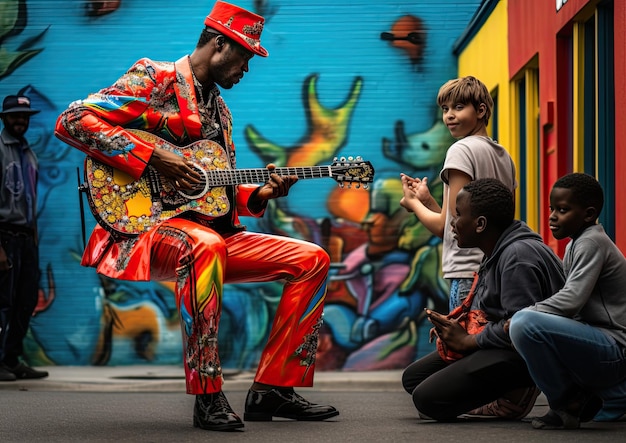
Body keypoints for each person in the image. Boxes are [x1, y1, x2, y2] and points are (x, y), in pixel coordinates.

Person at [54, 1, 338, 432]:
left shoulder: (220, 111)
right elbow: (73, 120)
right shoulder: (155, 77)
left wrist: (259, 193)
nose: (247, 69)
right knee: (203, 246)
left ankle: (273, 389)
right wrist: (156, 157)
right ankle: (207, 395)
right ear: (220, 45)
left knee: (312, 258)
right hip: (145, 228)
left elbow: (214, 191)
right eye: (244, 57)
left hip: (210, 232)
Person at [401, 178, 565, 421]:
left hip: (522, 352)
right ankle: (494, 392)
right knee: (413, 379)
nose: (452, 223)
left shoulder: (517, 256)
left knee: (427, 401)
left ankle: (519, 391)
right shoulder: (498, 248)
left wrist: (468, 342)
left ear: (480, 224)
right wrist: (460, 327)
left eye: (457, 215)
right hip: (499, 343)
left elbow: (521, 328)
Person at [509, 173, 626, 430]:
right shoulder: (577, 243)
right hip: (600, 345)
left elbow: (571, 300)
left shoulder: (592, 242)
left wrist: (525, 314)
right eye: (552, 208)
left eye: (562, 210)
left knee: (523, 324)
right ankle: (614, 396)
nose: (552, 216)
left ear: (588, 214)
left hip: (615, 347)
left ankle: (568, 403)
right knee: (529, 326)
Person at [400, 76, 516, 313]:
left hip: (466, 275)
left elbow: (452, 226)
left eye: (459, 107)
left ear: (481, 110)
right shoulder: (503, 155)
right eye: (445, 109)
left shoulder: (461, 150)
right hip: (495, 270)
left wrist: (414, 205)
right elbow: (463, 220)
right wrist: (428, 201)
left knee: (461, 348)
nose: (449, 115)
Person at [0, 95, 49, 382]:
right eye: (15, 116)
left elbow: (30, 199)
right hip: (4, 236)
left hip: (26, 239)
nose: (21, 120)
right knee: (3, 302)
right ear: (4, 117)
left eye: (25, 116)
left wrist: (34, 239)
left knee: (26, 300)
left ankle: (11, 358)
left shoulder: (28, 152)